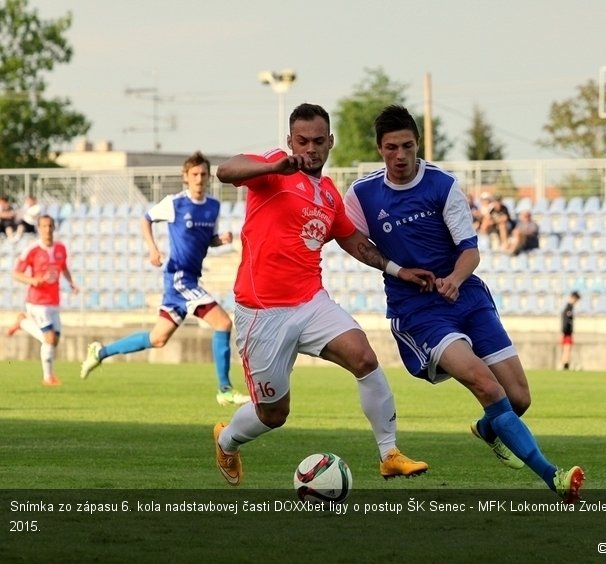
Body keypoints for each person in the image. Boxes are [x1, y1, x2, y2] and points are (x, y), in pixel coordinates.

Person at [343, 105, 584, 502]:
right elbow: (350, 239)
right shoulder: (363, 194)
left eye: (407, 146)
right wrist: (395, 268)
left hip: (466, 297)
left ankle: (490, 430)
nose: (400, 156)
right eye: (391, 148)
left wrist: (454, 278)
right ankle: (554, 477)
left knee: (519, 399)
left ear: (417, 144)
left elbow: (470, 251)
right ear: (380, 148)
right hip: (418, 310)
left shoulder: (442, 184)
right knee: (486, 385)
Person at [212, 102, 430, 486]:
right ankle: (227, 440)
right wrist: (273, 167)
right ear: (290, 141)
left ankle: (389, 454)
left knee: (363, 356)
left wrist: (399, 270)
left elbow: (357, 243)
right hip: (262, 312)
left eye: (317, 141)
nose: (309, 149)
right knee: (274, 414)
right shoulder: (273, 167)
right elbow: (225, 170)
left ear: (330, 142)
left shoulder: (329, 194)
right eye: (301, 141)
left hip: (311, 302)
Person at [79, 151, 249, 406]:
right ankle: (224, 389)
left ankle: (100, 352)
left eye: (204, 174)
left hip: (189, 279)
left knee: (157, 338)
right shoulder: (175, 203)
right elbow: (145, 220)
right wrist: (152, 249)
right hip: (179, 278)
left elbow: (206, 240)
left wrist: (219, 240)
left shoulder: (213, 206)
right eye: (194, 174)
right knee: (223, 323)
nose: (200, 179)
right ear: (185, 177)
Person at [7, 215, 79, 386]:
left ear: (54, 227)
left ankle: (23, 322)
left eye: (50, 226)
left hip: (54, 301)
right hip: (37, 302)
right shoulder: (32, 250)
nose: (47, 229)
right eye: (44, 226)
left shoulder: (61, 248)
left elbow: (63, 268)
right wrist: (32, 281)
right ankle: (48, 378)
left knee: (54, 340)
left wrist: (71, 282)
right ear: (39, 228)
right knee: (49, 338)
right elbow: (16, 274)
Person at [558, 291, 581, 371]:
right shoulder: (568, 308)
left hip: (567, 332)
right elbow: (566, 321)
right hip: (567, 332)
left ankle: (565, 363)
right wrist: (565, 331)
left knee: (567, 348)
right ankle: (565, 364)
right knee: (567, 348)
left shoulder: (569, 308)